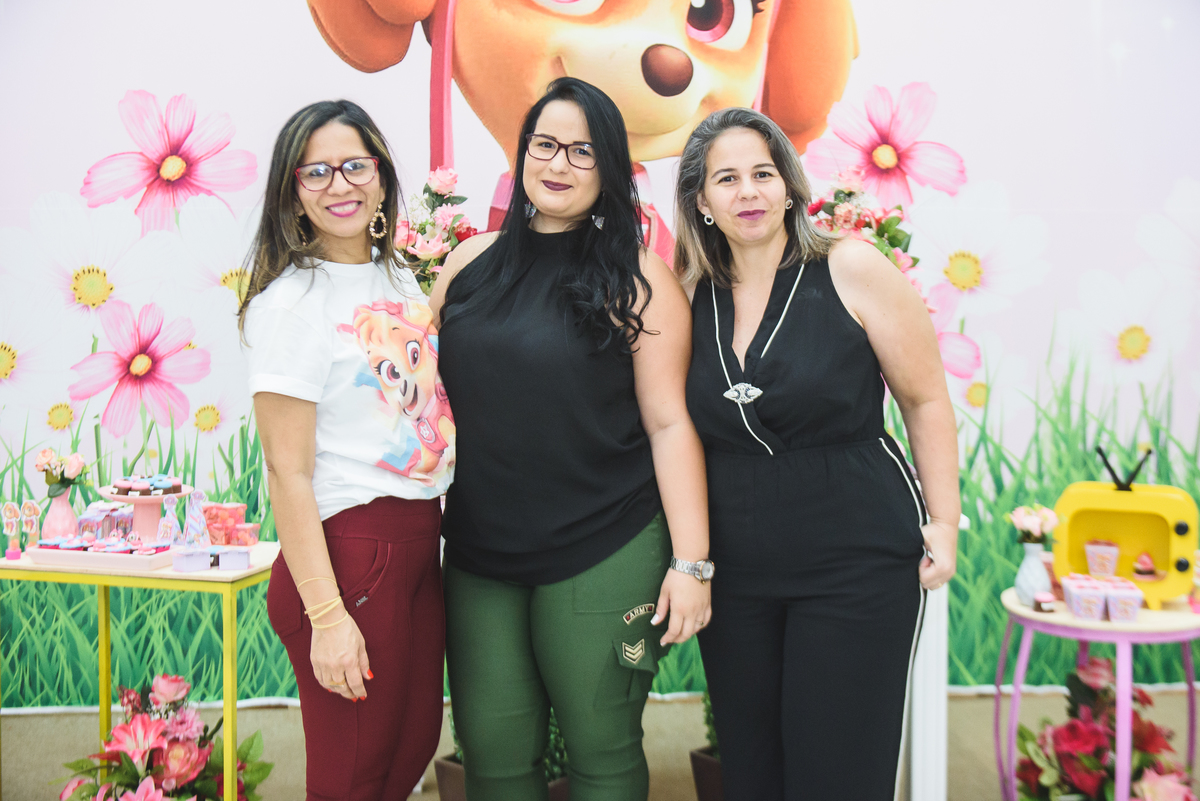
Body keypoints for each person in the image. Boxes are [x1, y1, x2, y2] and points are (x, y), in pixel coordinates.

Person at [427, 77, 711, 801]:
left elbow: (669, 423)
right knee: (493, 758)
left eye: (583, 151)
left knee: (602, 753)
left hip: (605, 543)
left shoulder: (640, 279)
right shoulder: (467, 264)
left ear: (610, 167)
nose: (559, 163)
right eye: (545, 144)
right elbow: (416, 397)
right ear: (521, 153)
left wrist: (692, 563)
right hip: (480, 554)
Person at [675, 107, 960, 800]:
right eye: (727, 178)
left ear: (790, 186)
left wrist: (946, 521)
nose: (749, 192)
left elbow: (925, 398)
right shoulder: (686, 293)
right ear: (701, 200)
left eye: (763, 173)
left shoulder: (850, 267)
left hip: (853, 557)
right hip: (736, 568)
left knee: (838, 771)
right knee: (752, 771)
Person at [238, 100, 453, 801]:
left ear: (382, 176)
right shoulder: (290, 304)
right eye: (317, 172)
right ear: (292, 190)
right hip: (352, 552)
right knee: (353, 777)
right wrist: (328, 617)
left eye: (355, 165)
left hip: (417, 541)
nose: (340, 185)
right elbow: (287, 471)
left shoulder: (396, 278)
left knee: (410, 751)